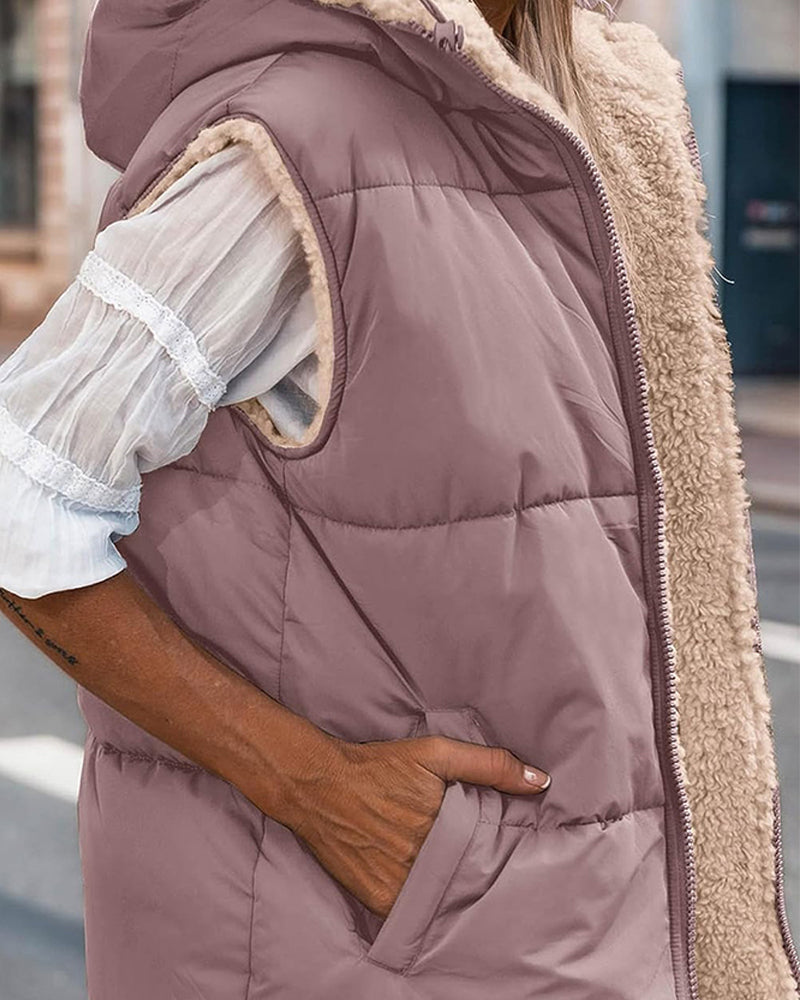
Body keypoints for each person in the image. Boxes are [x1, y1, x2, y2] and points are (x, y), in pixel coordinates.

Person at [0, 0, 796, 997]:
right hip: (398, 940)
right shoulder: (301, 140)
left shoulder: (583, 125)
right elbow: (21, 487)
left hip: (574, 925)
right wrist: (314, 785)